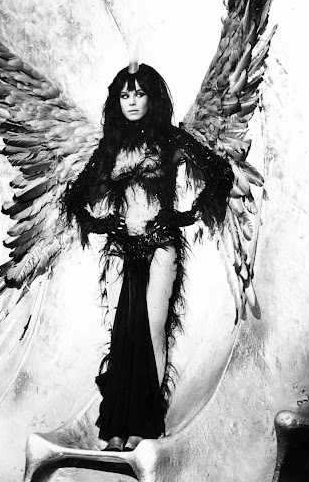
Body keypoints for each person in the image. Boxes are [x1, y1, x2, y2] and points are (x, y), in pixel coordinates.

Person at [63, 63, 233, 452]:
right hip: (123, 247)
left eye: (139, 94)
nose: (132, 102)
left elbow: (219, 173)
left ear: (152, 98)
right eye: (125, 95)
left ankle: (147, 426)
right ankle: (117, 429)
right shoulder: (111, 146)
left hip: (160, 245)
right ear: (116, 101)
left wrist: (187, 215)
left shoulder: (170, 139)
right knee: (123, 333)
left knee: (153, 330)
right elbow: (76, 195)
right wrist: (104, 224)